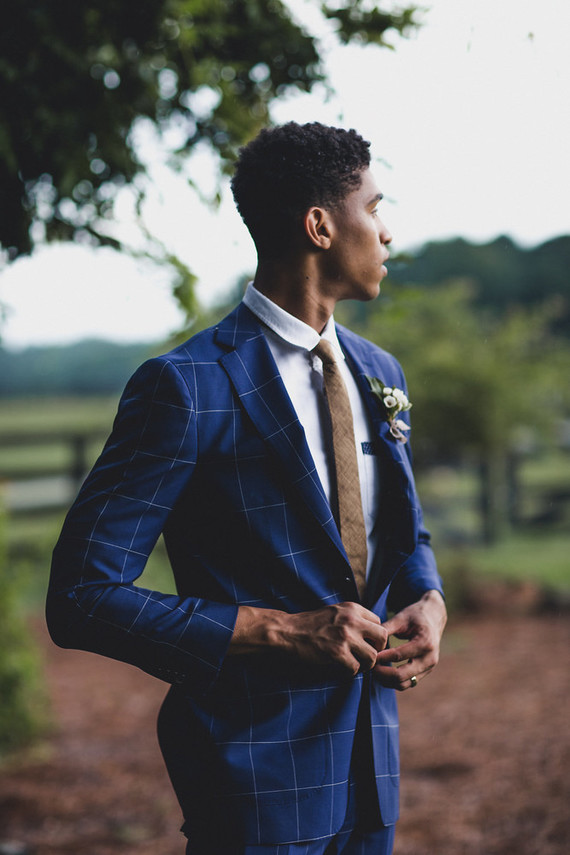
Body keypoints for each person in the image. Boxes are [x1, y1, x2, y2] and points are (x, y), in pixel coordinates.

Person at [47, 121, 447, 855]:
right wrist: (282, 628)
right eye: (376, 208)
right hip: (252, 781)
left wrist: (429, 597)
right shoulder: (186, 386)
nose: (387, 233)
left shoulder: (380, 373)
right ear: (320, 225)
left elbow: (407, 535)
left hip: (373, 770)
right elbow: (80, 595)